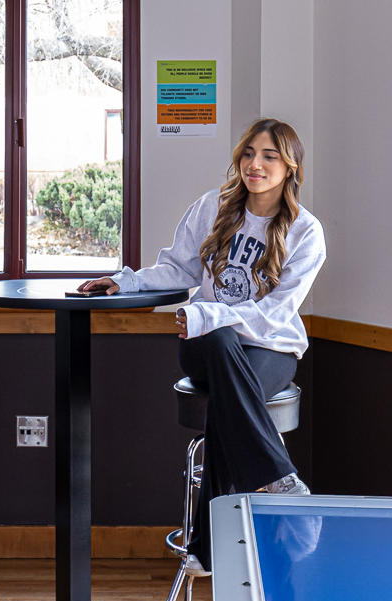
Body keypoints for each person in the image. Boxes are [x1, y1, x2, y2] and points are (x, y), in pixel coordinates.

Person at [78, 117, 326, 571]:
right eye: (249, 154)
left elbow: (274, 315)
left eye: (270, 156)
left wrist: (207, 312)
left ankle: (205, 547)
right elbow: (177, 270)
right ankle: (278, 476)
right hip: (203, 347)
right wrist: (124, 281)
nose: (256, 164)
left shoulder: (305, 232)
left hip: (273, 348)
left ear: (290, 167)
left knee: (227, 407)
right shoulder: (212, 207)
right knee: (219, 339)